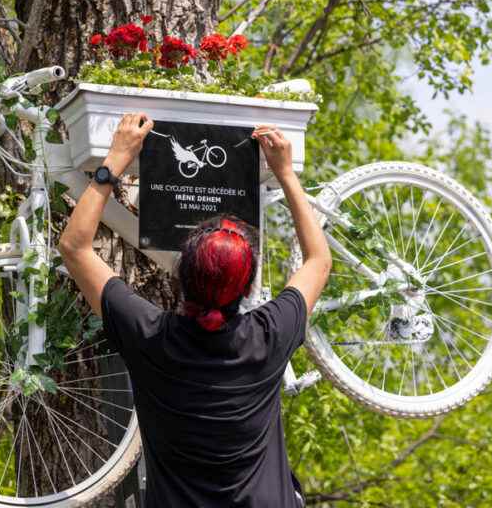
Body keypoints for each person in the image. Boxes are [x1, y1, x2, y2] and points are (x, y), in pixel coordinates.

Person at [58, 113, 332, 507]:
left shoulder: (151, 335)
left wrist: (114, 161)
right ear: (246, 286)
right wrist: (285, 174)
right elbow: (318, 262)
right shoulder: (269, 335)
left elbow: (74, 247)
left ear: (182, 273)